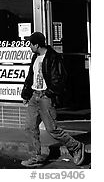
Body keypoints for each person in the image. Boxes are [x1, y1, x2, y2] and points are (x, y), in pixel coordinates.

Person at [20, 31, 85, 167]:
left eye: (30, 44)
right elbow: (30, 77)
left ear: (37, 45)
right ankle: (36, 156)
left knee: (52, 129)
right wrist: (26, 94)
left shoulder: (53, 57)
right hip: (34, 96)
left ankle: (76, 146)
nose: (29, 47)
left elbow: (60, 78)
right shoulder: (35, 57)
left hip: (45, 97)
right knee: (29, 127)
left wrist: (49, 93)